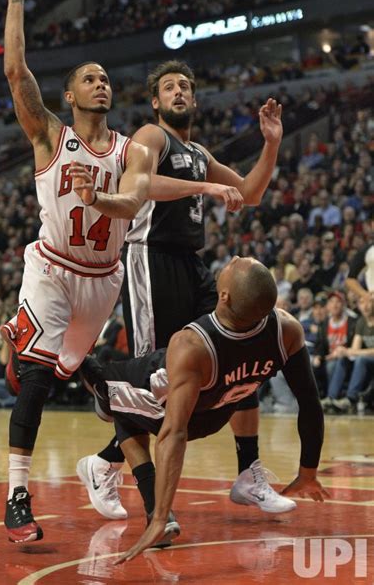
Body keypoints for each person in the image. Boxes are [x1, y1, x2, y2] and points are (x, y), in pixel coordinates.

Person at [77, 59, 287, 519]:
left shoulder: (199, 152)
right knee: (156, 382)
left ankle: (248, 472)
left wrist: (270, 145)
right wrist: (208, 187)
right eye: (169, 87)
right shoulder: (152, 138)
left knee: (238, 345)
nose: (178, 93)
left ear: (193, 99)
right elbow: (143, 183)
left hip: (191, 265)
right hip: (149, 259)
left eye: (185, 87)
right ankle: (120, 474)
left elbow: (250, 194)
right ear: (156, 101)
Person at [0, 0, 152, 543]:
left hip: (103, 278)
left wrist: (98, 202)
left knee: (72, 371)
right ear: (69, 96)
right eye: (89, 78)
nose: (101, 82)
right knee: (39, 379)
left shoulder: (130, 150)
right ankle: (17, 496)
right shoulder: (49, 137)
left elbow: (134, 202)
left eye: (106, 77)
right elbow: (15, 72)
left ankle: (30, 347)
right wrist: (15, 0)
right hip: (53, 267)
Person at [79, 257, 329, 561]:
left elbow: (173, 433)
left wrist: (159, 518)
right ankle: (108, 459)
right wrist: (308, 471)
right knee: (136, 408)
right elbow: (310, 403)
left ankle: (103, 449)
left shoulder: (192, 344)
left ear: (224, 296)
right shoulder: (286, 330)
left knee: (101, 381)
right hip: (215, 414)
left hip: (163, 392)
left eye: (238, 264)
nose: (235, 258)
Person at [322, 294, 374, 413]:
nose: (365, 307)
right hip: (366, 359)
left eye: (368, 303)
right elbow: (355, 348)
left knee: (360, 359)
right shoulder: (361, 322)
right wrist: (345, 352)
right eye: (361, 303)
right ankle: (331, 397)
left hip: (368, 359)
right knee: (343, 358)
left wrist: (349, 351)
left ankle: (351, 398)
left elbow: (358, 352)